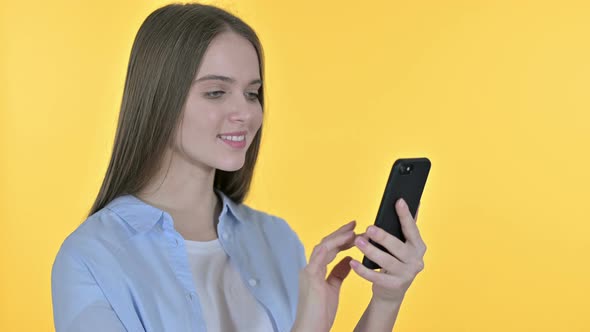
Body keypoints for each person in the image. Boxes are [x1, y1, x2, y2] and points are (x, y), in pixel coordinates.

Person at [51, 3, 427, 332]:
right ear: (158, 99)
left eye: (252, 93)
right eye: (216, 92)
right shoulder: (90, 259)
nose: (246, 113)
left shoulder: (277, 240)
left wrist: (386, 300)